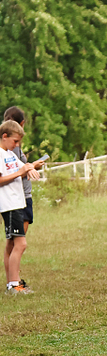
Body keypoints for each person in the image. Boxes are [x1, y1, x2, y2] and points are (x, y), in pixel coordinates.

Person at [0, 120, 40, 296]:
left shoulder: (9, 154)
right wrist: (21, 172)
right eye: (15, 141)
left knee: (12, 244)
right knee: (21, 244)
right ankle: (14, 285)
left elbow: (22, 167)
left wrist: (31, 167)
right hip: (9, 205)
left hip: (18, 203)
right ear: (4, 136)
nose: (17, 145)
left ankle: (12, 284)